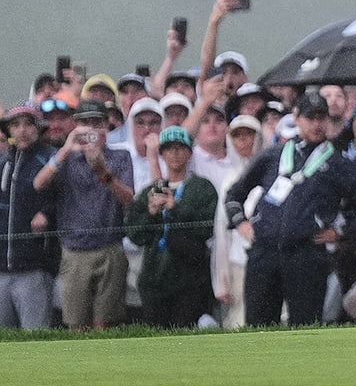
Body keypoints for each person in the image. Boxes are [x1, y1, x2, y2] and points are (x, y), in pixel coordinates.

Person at [224, 91, 356, 328]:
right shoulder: (272, 156)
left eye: (321, 117)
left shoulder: (338, 163)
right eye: (310, 117)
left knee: (305, 329)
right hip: (264, 252)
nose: (316, 124)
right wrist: (241, 222)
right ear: (296, 117)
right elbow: (234, 194)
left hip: (307, 255)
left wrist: (342, 232)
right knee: (257, 329)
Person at [36, 101, 137, 329]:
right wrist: (65, 150)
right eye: (84, 123)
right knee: (76, 326)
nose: (91, 129)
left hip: (110, 246)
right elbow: (38, 184)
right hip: (73, 251)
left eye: (97, 123)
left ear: (106, 126)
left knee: (105, 325)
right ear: (75, 126)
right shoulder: (63, 158)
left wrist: (103, 171)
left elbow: (128, 200)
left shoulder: (120, 156)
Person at [127, 126, 219, 327]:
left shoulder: (202, 188)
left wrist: (176, 208)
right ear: (162, 154)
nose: (175, 153)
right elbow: (135, 235)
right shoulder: (151, 191)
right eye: (169, 149)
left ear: (189, 152)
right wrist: (151, 214)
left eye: (180, 148)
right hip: (154, 278)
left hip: (190, 280)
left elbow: (208, 228)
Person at [0, 102, 58, 327]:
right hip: (1, 269)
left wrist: (46, 213)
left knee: (35, 338)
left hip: (35, 268)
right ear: (9, 130)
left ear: (38, 128)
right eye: (16, 125)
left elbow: (63, 197)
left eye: (28, 124)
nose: (22, 130)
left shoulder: (49, 158)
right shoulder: (4, 161)